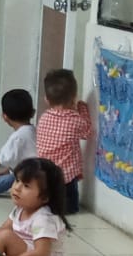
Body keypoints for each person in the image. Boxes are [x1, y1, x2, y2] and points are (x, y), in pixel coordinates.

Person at [36, 68, 92, 214]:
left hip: (44, 171)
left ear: (47, 99)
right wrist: (83, 109)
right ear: (74, 98)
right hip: (65, 175)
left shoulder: (44, 117)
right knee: (70, 205)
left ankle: (46, 205)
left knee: (49, 196)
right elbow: (87, 133)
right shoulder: (75, 120)